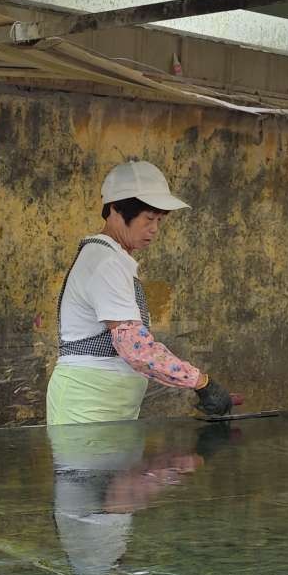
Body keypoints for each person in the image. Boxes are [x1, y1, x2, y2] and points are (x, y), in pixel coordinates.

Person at [45, 160, 238, 426]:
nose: (154, 229)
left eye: (159, 220)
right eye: (148, 219)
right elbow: (134, 347)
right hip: (87, 405)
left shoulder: (113, 258)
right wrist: (201, 383)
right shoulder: (105, 262)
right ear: (115, 210)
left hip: (108, 406)